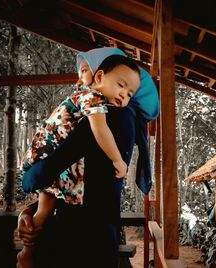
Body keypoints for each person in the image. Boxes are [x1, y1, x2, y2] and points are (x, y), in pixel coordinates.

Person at [17, 47, 159, 268]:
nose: (85, 78)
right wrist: (29, 211)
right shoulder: (104, 110)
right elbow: (74, 175)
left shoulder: (112, 115)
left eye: (128, 91)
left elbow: (46, 172)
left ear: (100, 74)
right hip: (91, 234)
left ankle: (27, 254)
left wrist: (30, 181)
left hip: (82, 240)